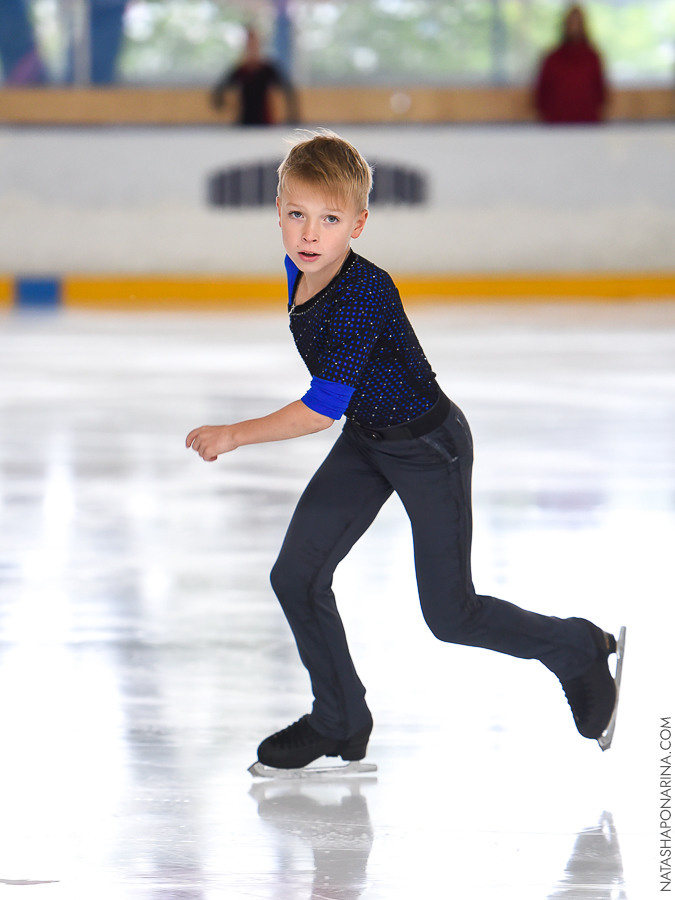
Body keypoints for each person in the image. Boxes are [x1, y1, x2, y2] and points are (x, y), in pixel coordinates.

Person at [186, 131, 623, 770]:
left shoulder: (364, 293)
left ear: (359, 223)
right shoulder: (301, 269)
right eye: (297, 215)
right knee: (296, 577)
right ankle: (339, 718)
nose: (310, 234)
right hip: (367, 442)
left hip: (428, 448)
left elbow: (320, 407)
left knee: (452, 614)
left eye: (330, 219)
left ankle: (578, 648)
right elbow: (342, 406)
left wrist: (235, 433)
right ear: (277, 209)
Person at [534, 4, 608, 124]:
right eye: (571, 22)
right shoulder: (552, 58)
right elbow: (542, 94)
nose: (574, 27)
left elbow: (600, 93)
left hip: (587, 125)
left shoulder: (592, 58)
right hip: (557, 125)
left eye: (577, 22)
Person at [211, 27, 297, 126]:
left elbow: (288, 89)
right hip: (244, 121)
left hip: (265, 122)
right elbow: (221, 87)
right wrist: (221, 104)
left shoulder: (267, 68)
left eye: (254, 44)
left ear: (259, 45)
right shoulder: (241, 70)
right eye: (249, 44)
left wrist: (292, 115)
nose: (252, 47)